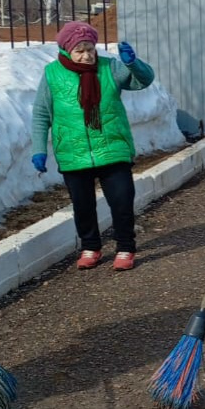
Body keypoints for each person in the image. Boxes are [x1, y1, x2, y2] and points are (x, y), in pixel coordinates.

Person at [30, 21, 156, 271]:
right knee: (83, 205)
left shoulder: (110, 68)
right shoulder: (52, 74)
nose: (87, 55)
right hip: (72, 151)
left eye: (90, 48)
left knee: (121, 200)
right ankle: (91, 246)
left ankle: (125, 247)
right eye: (80, 50)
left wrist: (133, 63)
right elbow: (41, 114)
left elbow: (144, 81)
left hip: (113, 147)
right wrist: (39, 150)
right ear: (67, 50)